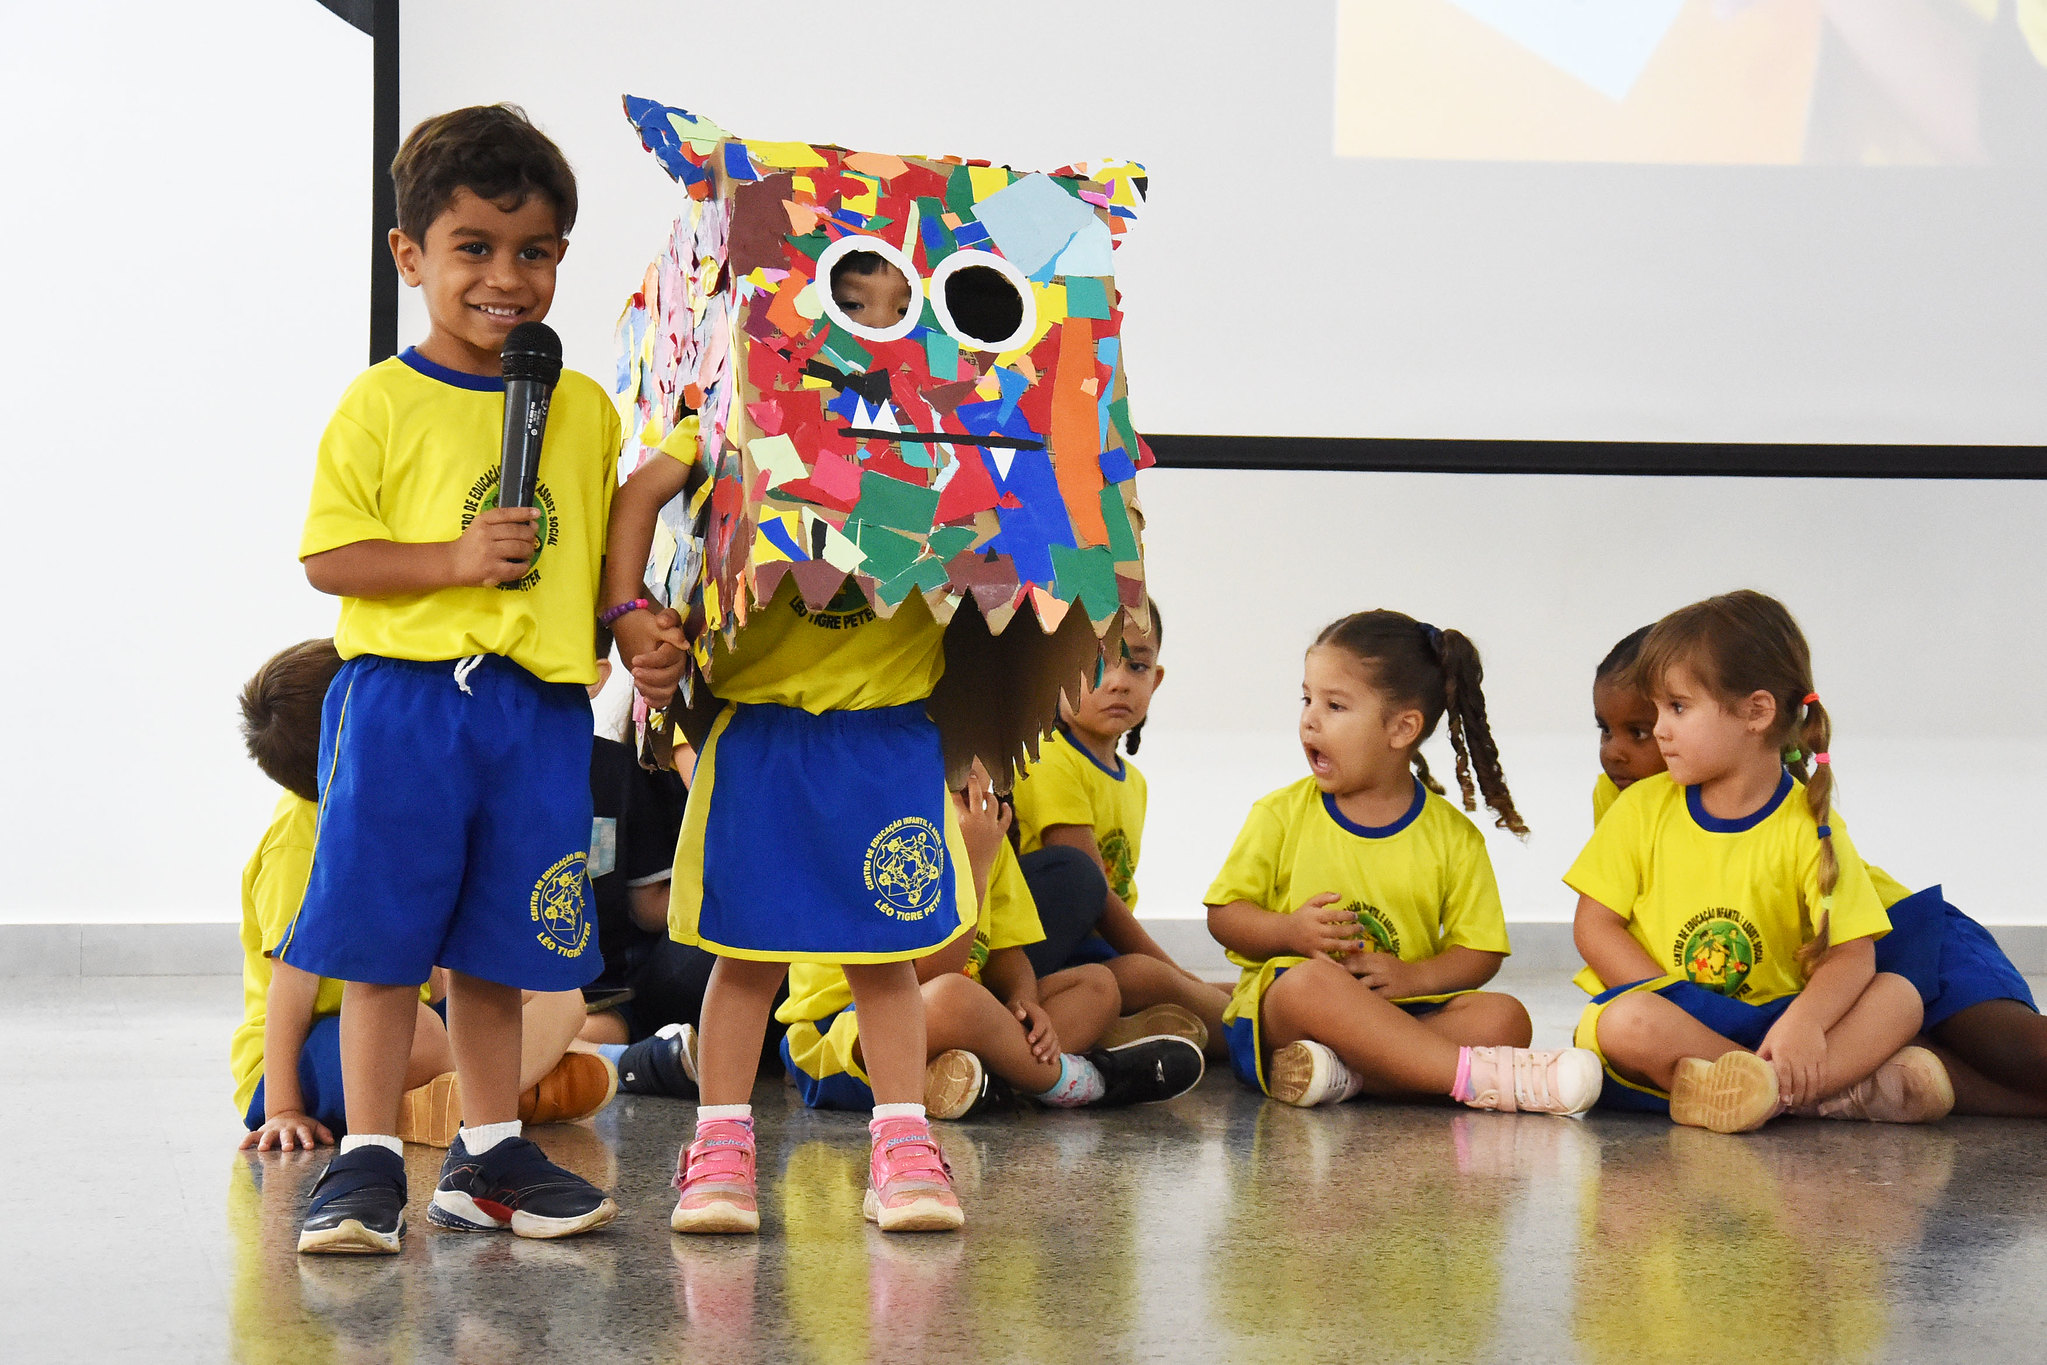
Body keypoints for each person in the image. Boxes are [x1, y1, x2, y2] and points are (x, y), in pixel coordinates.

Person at [280, 104, 623, 1253]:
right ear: (410, 255)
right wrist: (452, 560)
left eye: (534, 253)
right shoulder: (380, 401)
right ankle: (369, 1157)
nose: (506, 279)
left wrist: (629, 625)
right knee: (381, 937)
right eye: (474, 248)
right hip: (408, 705)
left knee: (501, 943)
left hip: (536, 713)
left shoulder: (581, 408)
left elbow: (588, 556)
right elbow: (334, 553)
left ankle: (486, 1157)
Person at [609, 468, 975, 1236]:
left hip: (888, 728)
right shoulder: (732, 388)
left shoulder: (945, 399)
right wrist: (628, 613)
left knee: (884, 956)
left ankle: (904, 1143)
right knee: (746, 955)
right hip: (764, 728)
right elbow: (641, 494)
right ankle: (719, 1144)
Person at [1586, 622, 2047, 1118]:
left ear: (1753, 718)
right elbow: (1618, 920)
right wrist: (1675, 1005)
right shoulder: (1632, 798)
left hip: (1897, 933)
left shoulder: (1800, 820)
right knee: (1947, 1077)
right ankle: (1807, 1091)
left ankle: (1800, 1087)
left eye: (1652, 721)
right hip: (1800, 970)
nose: (1623, 748)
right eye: (1611, 729)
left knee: (2019, 1055)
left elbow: (1850, 946)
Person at [1207, 611, 1603, 1114]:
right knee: (1310, 983)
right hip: (1286, 1018)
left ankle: (1347, 1074)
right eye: (1307, 699)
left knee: (1504, 1017)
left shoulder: (1454, 838)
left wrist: (1417, 980)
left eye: (1335, 705)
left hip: (1403, 1012)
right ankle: (1473, 1079)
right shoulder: (1279, 815)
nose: (1309, 718)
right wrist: (1289, 933)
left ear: (1402, 728)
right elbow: (1225, 915)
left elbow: (1478, 951)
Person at [234, 640, 618, 1155]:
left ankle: (468, 1102)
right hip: (309, 1050)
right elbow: (290, 985)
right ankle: (510, 1096)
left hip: (405, 1018)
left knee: (560, 997)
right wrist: (283, 1107)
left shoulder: (394, 804)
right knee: (420, 1034)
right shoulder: (298, 841)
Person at [779, 762, 1204, 1120]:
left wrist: (1025, 1000)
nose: (973, 786)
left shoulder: (988, 839)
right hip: (847, 1034)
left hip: (968, 1018)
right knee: (952, 997)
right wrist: (970, 868)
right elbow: (929, 977)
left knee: (1097, 985)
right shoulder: (892, 841)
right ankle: (1085, 1082)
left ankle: (976, 1078)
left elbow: (1007, 952)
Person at [1009, 603, 1232, 1056]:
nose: (1117, 681)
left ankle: (1152, 1028)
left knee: (1220, 988)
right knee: (1153, 979)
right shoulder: (1049, 758)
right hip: (1054, 955)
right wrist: (1176, 972)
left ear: (1157, 678)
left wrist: (1182, 979)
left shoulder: (1134, 783)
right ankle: (1263, 1043)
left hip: (1098, 955)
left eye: (1137, 665)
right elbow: (1096, 897)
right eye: (1096, 663)